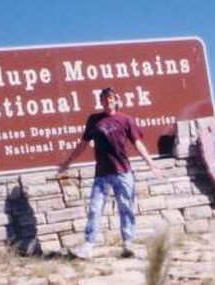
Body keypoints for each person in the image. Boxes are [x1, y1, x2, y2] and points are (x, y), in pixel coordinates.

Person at [58, 87, 163, 259]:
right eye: (105, 99)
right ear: (101, 102)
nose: (108, 102)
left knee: (126, 208)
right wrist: (68, 162)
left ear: (117, 100)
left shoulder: (126, 120)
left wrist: (150, 163)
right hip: (102, 174)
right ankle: (88, 245)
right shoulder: (94, 120)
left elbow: (137, 143)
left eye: (111, 99)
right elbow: (83, 144)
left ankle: (128, 243)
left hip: (123, 172)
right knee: (94, 209)